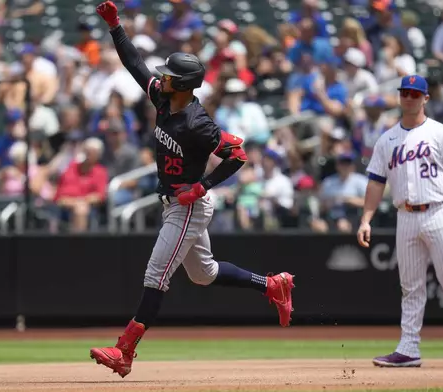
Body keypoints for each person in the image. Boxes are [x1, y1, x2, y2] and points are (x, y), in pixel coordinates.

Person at [90, 1, 295, 378]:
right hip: (176, 202)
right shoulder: (165, 99)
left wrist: (202, 185)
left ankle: (125, 352)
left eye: (168, 75)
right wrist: (115, 26)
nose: (161, 78)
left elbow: (238, 154)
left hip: (188, 206)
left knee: (156, 274)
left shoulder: (198, 122)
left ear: (182, 85)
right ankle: (272, 285)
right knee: (204, 273)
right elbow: (135, 64)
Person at [356, 75, 443, 368]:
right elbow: (376, 182)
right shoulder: (387, 140)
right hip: (406, 216)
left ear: (426, 98)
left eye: (415, 93)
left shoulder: (441, 133)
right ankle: (409, 347)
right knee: (410, 287)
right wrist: (366, 220)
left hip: (439, 212)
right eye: (405, 93)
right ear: (400, 97)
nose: (409, 98)